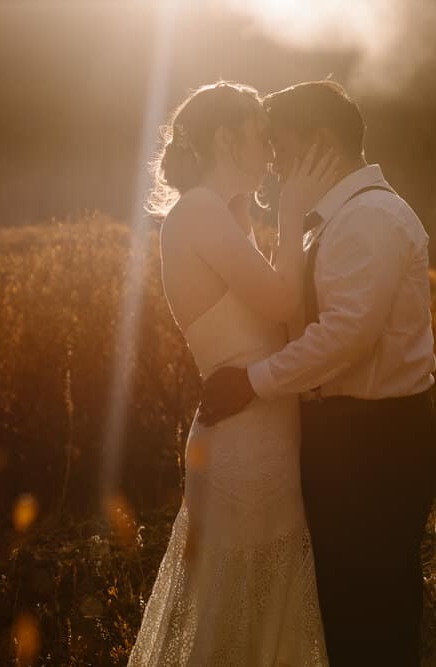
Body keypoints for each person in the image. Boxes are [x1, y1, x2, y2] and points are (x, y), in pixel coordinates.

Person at [198, 80, 436, 666]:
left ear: (319, 141)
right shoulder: (338, 218)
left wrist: (252, 381)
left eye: (281, 146)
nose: (275, 163)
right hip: (351, 437)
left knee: (372, 611)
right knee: (349, 605)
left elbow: (346, 338)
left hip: (376, 439)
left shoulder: (371, 218)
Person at [128, 81, 340, 666]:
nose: (273, 154)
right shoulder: (196, 212)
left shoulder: (218, 215)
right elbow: (277, 303)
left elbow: (278, 318)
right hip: (244, 443)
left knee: (253, 621)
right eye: (259, 138)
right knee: (234, 624)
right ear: (226, 139)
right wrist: (295, 210)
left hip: (262, 431)